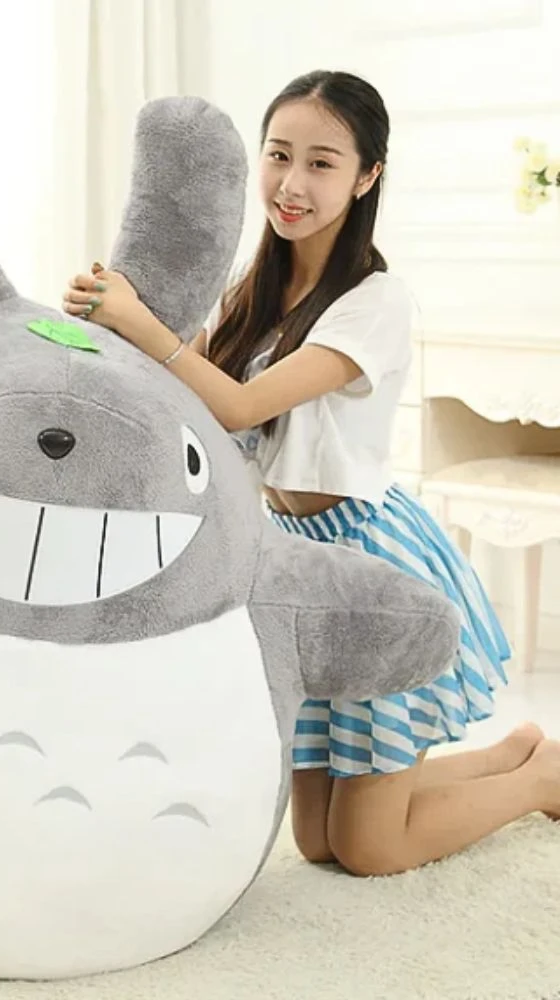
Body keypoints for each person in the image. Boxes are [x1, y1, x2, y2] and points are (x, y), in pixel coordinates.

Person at [62, 69, 559, 877]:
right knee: (318, 840)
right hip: (296, 555)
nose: (292, 185)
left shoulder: (375, 300)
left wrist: (138, 321)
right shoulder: (252, 291)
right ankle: (512, 753)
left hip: (370, 562)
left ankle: (541, 778)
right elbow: (191, 396)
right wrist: (102, 332)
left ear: (367, 176)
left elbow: (240, 404)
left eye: (322, 163)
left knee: (368, 849)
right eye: (279, 155)